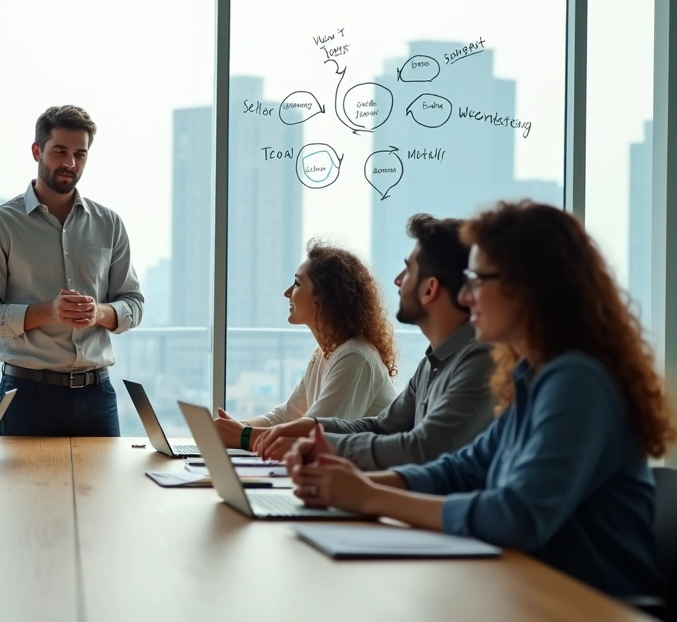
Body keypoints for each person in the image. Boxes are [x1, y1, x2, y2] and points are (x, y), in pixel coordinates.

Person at [285, 201, 675, 599]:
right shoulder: (532, 378)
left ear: (528, 286)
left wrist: (369, 495)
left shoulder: (578, 380)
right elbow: (460, 472)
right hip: (524, 589)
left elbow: (516, 515)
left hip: (585, 604)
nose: (466, 296)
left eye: (477, 279)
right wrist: (349, 484)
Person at [250, 214, 496, 470]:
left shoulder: (478, 361)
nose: (397, 280)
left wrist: (323, 445)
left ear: (429, 289)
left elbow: (421, 449)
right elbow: (381, 426)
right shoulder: (430, 364)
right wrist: (315, 427)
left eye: (408, 270)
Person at [0, 105, 144, 436]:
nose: (70, 164)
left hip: (98, 395)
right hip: (26, 395)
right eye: (60, 151)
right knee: (23, 490)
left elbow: (134, 304)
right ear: (37, 151)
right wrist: (48, 312)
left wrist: (99, 312)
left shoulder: (109, 224)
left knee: (105, 489)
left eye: (80, 154)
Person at [212, 241, 398, 450]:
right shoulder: (324, 354)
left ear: (323, 299)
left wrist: (244, 435)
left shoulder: (355, 357)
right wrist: (238, 427)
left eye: (297, 283)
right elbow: (287, 415)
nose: (287, 292)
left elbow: (315, 437)